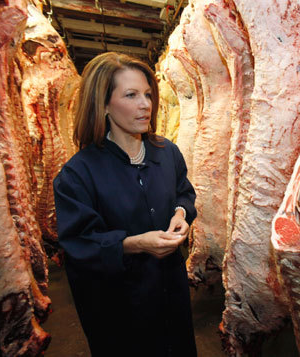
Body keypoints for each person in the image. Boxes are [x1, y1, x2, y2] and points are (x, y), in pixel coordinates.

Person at [53, 52, 197, 356]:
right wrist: (135, 244)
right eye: (131, 95)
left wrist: (182, 214)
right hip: (121, 307)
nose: (145, 104)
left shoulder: (166, 152)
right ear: (103, 104)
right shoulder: (78, 173)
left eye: (147, 94)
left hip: (171, 290)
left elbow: (184, 191)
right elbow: (78, 243)